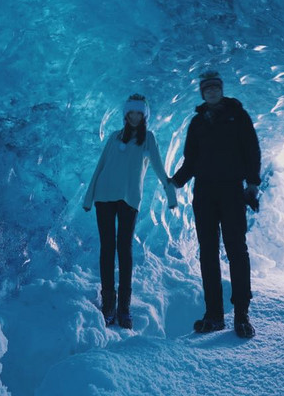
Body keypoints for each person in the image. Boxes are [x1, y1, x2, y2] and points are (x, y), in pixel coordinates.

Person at [169, 70, 262, 338]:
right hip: (205, 193)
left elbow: (251, 149)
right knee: (208, 252)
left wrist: (252, 182)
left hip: (232, 190)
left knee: (236, 250)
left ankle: (242, 313)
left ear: (221, 89)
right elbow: (191, 160)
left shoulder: (238, 116)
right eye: (207, 88)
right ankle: (214, 315)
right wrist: (176, 182)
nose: (211, 91)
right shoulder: (197, 123)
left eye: (215, 87)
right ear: (202, 92)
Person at [83, 93, 177, 328]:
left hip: (129, 200)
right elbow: (100, 166)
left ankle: (124, 306)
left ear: (144, 116)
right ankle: (108, 303)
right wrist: (89, 197)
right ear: (126, 115)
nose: (135, 117)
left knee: (124, 249)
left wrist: (171, 194)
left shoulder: (148, 140)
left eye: (139, 113)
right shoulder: (115, 137)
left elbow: (158, 167)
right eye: (131, 113)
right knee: (107, 248)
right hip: (104, 196)